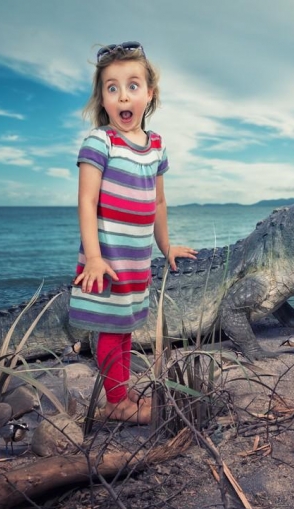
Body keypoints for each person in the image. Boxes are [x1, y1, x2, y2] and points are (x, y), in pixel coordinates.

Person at [69, 41, 196, 424]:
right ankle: (118, 404)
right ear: (102, 99)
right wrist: (93, 257)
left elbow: (157, 203)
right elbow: (87, 202)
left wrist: (166, 245)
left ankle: (118, 394)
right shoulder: (100, 142)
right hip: (107, 257)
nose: (123, 95)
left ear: (149, 94)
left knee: (125, 327)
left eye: (132, 85)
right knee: (110, 327)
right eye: (112, 87)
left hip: (137, 257)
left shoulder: (156, 146)